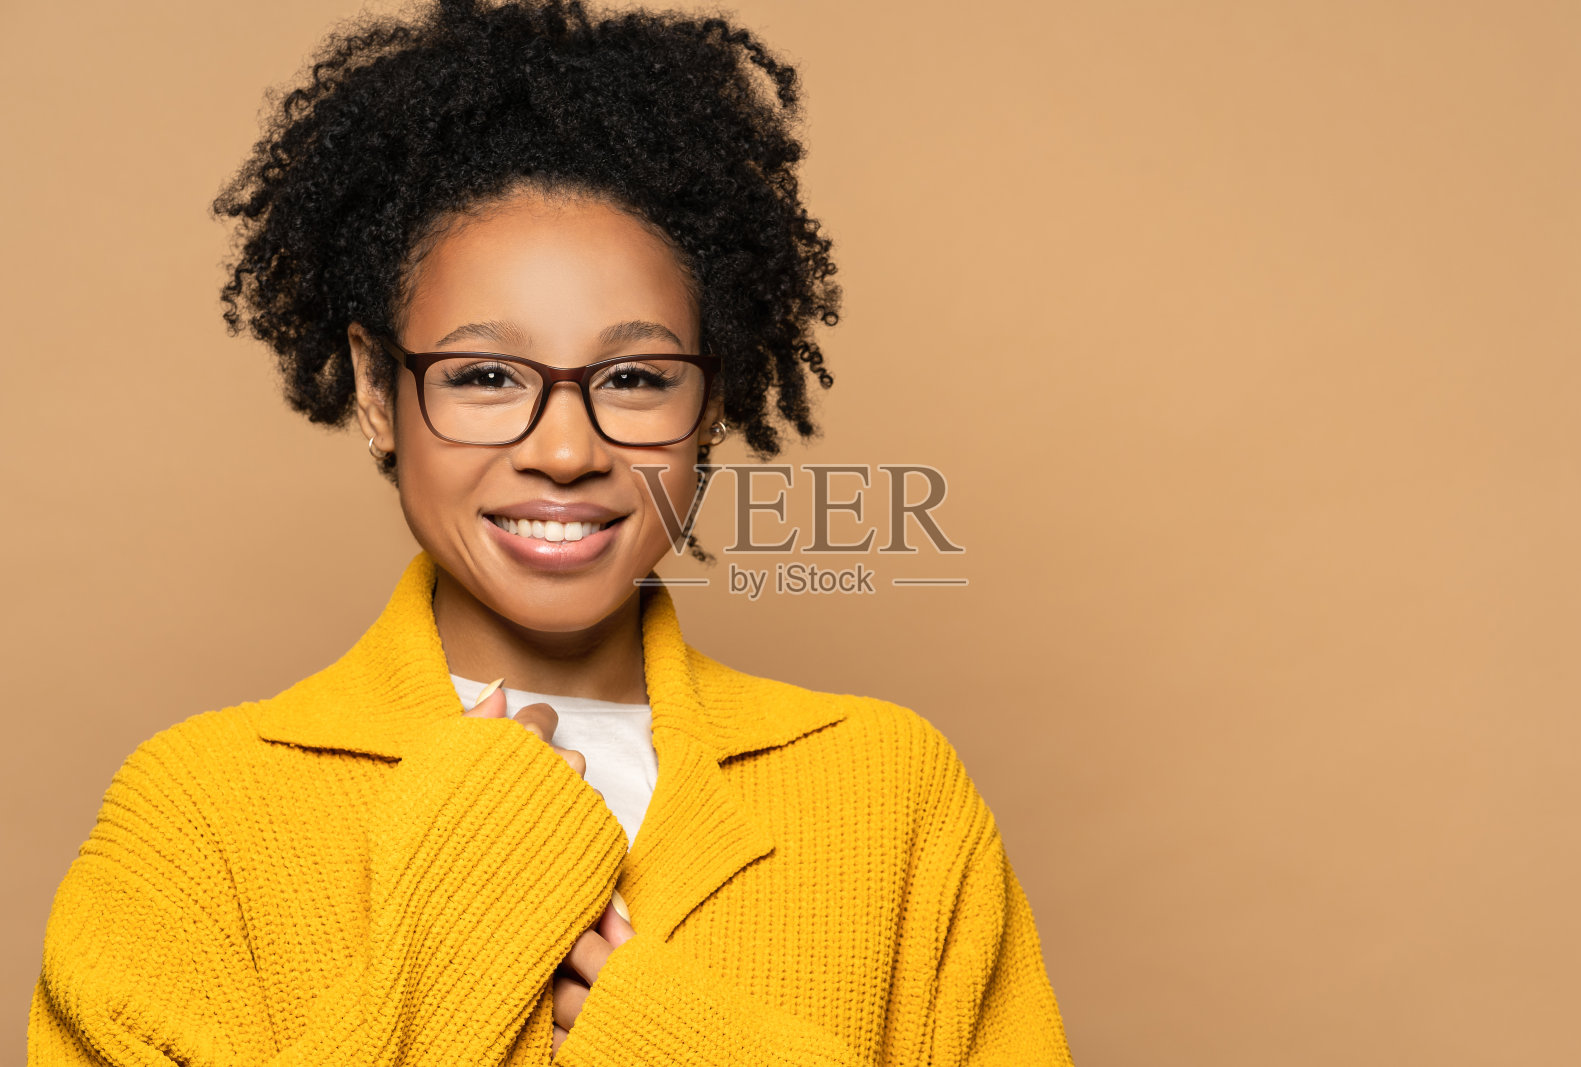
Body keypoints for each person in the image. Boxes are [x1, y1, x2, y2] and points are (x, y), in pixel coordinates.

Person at [28, 1, 1074, 1062]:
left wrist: (676, 1043)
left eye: (635, 377)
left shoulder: (888, 792)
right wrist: (449, 939)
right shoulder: (196, 818)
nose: (566, 450)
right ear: (379, 391)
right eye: (484, 375)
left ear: (710, 402)